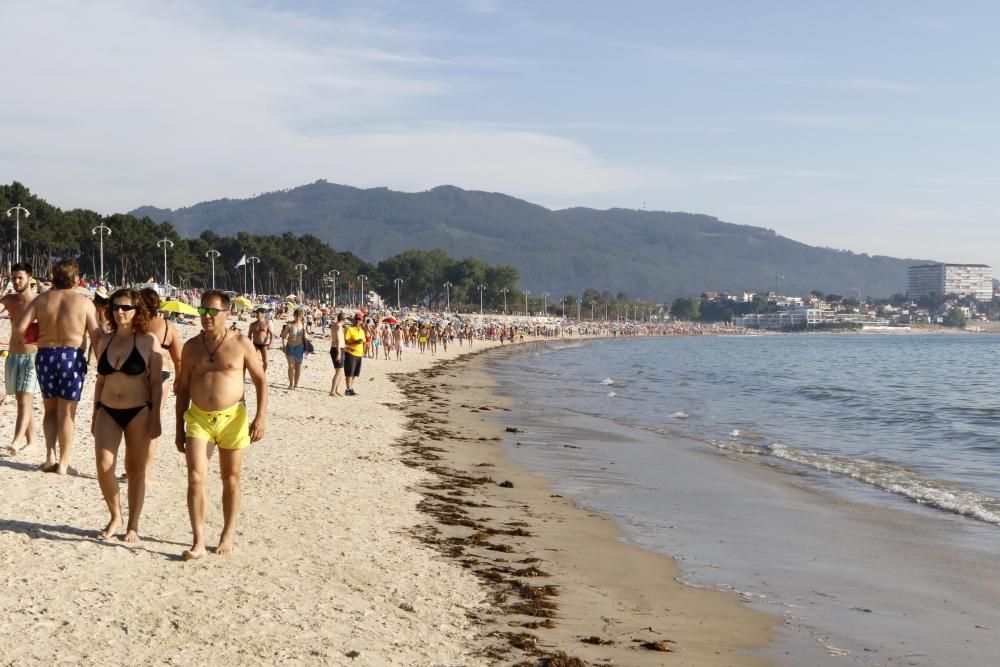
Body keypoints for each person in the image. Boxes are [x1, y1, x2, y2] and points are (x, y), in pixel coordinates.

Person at [174, 290, 267, 559]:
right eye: (203, 311)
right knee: (195, 477)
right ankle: (199, 541)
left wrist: (260, 417)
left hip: (232, 418)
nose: (207, 317)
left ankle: (227, 533)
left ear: (227, 314)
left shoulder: (241, 343)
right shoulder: (191, 347)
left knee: (231, 478)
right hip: (198, 418)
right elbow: (182, 390)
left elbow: (261, 380)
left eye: (213, 312)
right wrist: (179, 428)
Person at [12, 259, 100, 474]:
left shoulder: (41, 300)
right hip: (71, 356)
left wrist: (38, 334)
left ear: (54, 278)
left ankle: (50, 456)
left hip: (45, 356)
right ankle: (63, 462)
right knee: (67, 412)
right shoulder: (84, 302)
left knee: (49, 409)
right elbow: (97, 336)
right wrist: (102, 366)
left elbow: (20, 328)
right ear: (76, 279)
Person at [92, 289, 162, 542]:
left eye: (126, 308)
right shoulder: (104, 340)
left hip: (139, 411)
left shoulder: (148, 341)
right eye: (116, 307)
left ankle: (132, 525)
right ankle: (115, 515)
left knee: (135, 470)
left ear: (137, 312)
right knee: (104, 466)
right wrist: (94, 411)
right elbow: (100, 380)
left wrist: (156, 417)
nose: (120, 312)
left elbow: (155, 383)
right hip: (107, 410)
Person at [139, 288, 183, 481]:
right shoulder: (167, 326)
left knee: (136, 422)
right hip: (162, 373)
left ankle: (137, 467)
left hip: (137, 374)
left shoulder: (135, 324)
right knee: (153, 421)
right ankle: (146, 472)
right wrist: (180, 381)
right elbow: (178, 358)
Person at [1, 263, 39, 455]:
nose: (16, 281)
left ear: (29, 278)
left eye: (19, 278)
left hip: (33, 356)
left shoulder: (40, 301)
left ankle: (16, 442)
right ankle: (31, 441)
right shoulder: (9, 299)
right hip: (14, 356)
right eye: (13, 278)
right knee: (22, 399)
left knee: (25, 398)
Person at [280, 308, 307, 390]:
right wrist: (283, 332)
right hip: (290, 346)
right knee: (291, 366)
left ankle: (296, 384)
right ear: (294, 315)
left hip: (300, 347)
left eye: (300, 316)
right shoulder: (289, 324)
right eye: (297, 316)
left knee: (298, 366)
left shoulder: (303, 325)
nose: (298, 318)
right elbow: (284, 336)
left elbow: (305, 336)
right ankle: (291, 384)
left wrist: (306, 337)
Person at [342, 313, 366, 396]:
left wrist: (364, 351)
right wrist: (355, 342)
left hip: (359, 354)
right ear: (354, 319)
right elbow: (346, 341)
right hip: (350, 353)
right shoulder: (349, 329)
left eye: (359, 319)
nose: (357, 321)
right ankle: (348, 389)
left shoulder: (362, 331)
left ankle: (351, 388)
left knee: (355, 373)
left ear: (361, 321)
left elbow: (364, 341)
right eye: (356, 319)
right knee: (349, 372)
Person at [248, 308, 273, 372]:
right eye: (256, 313)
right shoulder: (252, 324)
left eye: (258, 313)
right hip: (255, 344)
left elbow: (272, 334)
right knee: (256, 361)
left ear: (263, 314)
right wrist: (249, 344)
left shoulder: (267, 323)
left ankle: (262, 373)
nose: (256, 314)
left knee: (266, 362)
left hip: (264, 345)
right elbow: (249, 335)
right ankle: (258, 374)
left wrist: (270, 343)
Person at [329, 311, 345, 397]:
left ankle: (336, 389)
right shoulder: (339, 326)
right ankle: (332, 391)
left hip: (335, 349)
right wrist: (339, 353)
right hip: (337, 349)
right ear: (343, 320)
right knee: (338, 371)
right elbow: (338, 340)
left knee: (340, 371)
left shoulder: (334, 326)